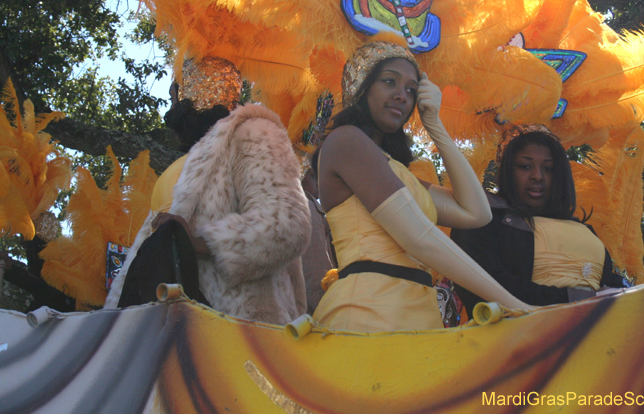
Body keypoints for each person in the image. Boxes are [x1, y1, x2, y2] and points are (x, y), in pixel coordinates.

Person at [311, 38, 535, 332]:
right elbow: (418, 238)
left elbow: (477, 213)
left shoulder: (395, 170)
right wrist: (513, 305)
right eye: (389, 82)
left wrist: (435, 126)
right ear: (362, 86)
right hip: (366, 315)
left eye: (411, 90)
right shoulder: (346, 141)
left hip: (418, 316)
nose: (402, 96)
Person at [105, 57, 311, 325]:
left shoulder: (253, 132)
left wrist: (200, 243)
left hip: (243, 329)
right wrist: (113, 321)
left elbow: (285, 223)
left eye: (174, 93)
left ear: (188, 93)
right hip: (173, 327)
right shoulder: (181, 166)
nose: (171, 100)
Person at [451, 127, 627, 317]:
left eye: (548, 169)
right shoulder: (481, 218)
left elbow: (613, 289)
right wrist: (580, 301)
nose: (537, 176)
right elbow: (485, 286)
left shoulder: (585, 230)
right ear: (508, 171)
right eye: (525, 166)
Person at [300, 165, 336, 314]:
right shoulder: (307, 207)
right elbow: (318, 277)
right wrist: (329, 313)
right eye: (313, 176)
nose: (319, 185)